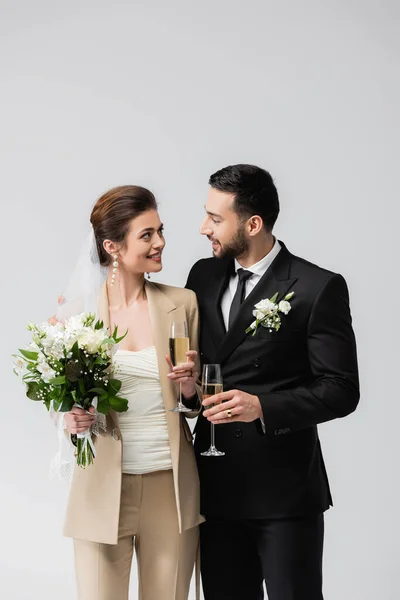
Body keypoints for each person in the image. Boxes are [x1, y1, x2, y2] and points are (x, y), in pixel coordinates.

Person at [185, 164, 359, 600]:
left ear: (253, 223)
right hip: (216, 485)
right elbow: (200, 376)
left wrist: (263, 406)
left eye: (216, 218)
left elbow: (340, 389)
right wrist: (189, 383)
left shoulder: (317, 286)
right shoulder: (202, 277)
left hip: (284, 492)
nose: (203, 227)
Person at [56, 185, 203, 600]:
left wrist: (191, 391)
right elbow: (61, 400)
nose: (161, 242)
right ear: (112, 247)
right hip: (102, 487)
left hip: (170, 488)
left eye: (161, 231)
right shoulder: (76, 313)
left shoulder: (183, 303)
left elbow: (196, 402)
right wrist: (69, 418)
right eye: (147, 234)